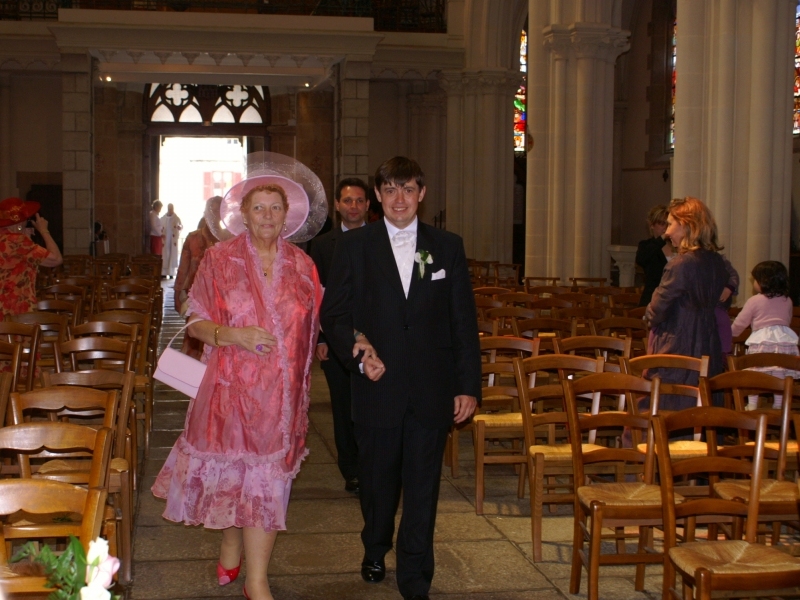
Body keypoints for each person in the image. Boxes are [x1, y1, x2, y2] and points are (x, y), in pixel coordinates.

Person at [152, 176, 323, 600]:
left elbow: (315, 325)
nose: (267, 215)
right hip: (229, 392)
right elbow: (195, 319)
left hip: (279, 400)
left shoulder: (304, 265)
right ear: (242, 215)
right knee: (233, 475)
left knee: (267, 482)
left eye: (275, 208)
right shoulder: (219, 259)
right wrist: (235, 335)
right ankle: (231, 540)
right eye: (258, 208)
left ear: (288, 217)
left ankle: (257, 580)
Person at [321, 156, 481, 600]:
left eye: (407, 189)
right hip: (377, 386)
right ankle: (375, 545)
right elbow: (333, 316)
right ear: (377, 196)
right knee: (377, 483)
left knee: (424, 486)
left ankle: (415, 575)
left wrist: (468, 384)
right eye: (389, 189)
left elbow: (462, 321)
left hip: (432, 387)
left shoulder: (446, 246)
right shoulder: (355, 248)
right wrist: (358, 350)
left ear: (421, 194)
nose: (399, 199)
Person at [309, 178, 370, 494]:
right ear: (337, 204)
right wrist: (320, 339)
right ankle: (352, 470)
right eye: (348, 200)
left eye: (359, 201)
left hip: (376, 340)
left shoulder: (382, 240)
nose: (354, 206)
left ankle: (374, 465)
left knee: (374, 407)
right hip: (336, 339)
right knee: (344, 408)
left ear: (368, 206)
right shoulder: (322, 245)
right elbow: (316, 295)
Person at [645, 196, 729, 410]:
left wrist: (649, 318)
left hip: (680, 344)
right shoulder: (717, 261)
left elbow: (657, 308)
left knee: (671, 407)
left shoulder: (681, 264)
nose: (667, 232)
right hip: (709, 341)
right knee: (702, 405)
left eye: (671, 224)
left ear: (687, 225)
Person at [731, 260, 799, 409]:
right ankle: (779, 405)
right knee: (781, 372)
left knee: (756, 373)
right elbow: (786, 320)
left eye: (755, 279)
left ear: (763, 281)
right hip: (784, 340)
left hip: (762, 342)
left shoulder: (754, 301)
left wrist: (731, 333)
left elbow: (741, 323)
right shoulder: (787, 300)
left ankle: (753, 404)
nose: (753, 282)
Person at [173, 197, 225, 359]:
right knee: (194, 336)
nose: (215, 214)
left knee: (216, 337)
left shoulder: (228, 239)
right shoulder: (193, 238)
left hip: (220, 297)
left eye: (218, 211)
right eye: (212, 210)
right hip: (195, 296)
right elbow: (184, 267)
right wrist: (180, 292)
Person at [0, 197, 62, 318]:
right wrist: (44, 231)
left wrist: (23, 234)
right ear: (20, 221)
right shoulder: (18, 241)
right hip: (15, 308)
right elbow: (56, 259)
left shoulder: (12, 239)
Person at [635, 205, 672, 307]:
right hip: (653, 299)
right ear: (652, 225)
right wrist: (662, 238)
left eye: (668, 224)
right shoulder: (646, 245)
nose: (665, 227)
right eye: (661, 223)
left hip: (673, 300)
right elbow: (641, 259)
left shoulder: (678, 245)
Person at [160, 203, 183, 278]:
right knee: (165, 255)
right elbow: (160, 227)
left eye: (171, 208)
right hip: (166, 240)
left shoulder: (176, 218)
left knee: (172, 255)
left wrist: (179, 227)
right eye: (169, 208)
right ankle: (163, 273)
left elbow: (181, 225)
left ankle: (171, 273)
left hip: (173, 240)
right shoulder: (163, 218)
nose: (170, 210)